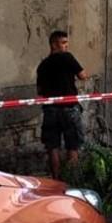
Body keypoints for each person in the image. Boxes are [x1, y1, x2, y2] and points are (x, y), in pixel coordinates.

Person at [37, 30, 89, 177]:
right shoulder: (67, 58)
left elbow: (39, 91)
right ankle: (72, 180)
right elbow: (83, 75)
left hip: (50, 110)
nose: (66, 46)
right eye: (63, 43)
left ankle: (56, 180)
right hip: (69, 108)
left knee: (52, 146)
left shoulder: (43, 65)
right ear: (54, 44)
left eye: (67, 43)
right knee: (73, 145)